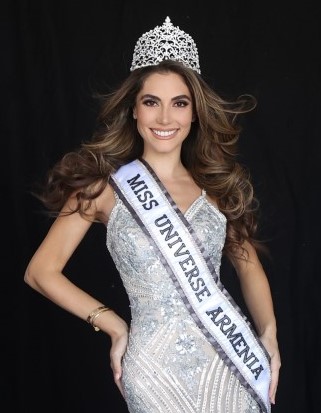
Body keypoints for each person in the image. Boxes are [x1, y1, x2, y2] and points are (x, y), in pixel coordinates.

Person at [24, 16, 281, 413]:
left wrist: (269, 337)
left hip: (230, 362)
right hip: (152, 368)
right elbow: (40, 271)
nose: (165, 118)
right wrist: (111, 323)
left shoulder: (216, 190)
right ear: (133, 110)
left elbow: (248, 267)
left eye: (179, 103)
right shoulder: (102, 190)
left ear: (194, 114)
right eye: (151, 102)